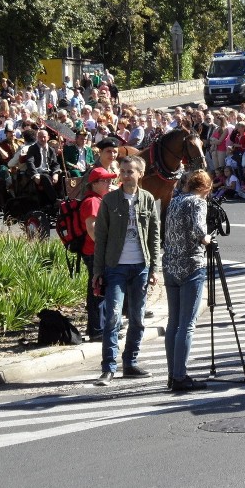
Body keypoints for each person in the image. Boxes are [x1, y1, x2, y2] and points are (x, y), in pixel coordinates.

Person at [92, 155, 161, 386]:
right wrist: (97, 271)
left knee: (138, 318)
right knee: (112, 317)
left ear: (140, 174)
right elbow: (100, 237)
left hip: (140, 267)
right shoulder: (110, 200)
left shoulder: (148, 199)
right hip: (116, 267)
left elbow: (154, 235)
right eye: (122, 171)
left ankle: (130, 363)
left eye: (130, 171)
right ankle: (108, 368)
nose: (125, 175)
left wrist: (154, 269)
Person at [163, 169, 214, 391]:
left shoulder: (176, 200)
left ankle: (172, 374)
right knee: (187, 324)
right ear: (205, 187)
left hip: (171, 265)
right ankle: (180, 376)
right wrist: (208, 238)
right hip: (191, 266)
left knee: (173, 323)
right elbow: (199, 232)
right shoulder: (197, 202)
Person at [80, 167, 117, 341]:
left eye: (110, 180)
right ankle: (97, 330)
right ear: (94, 184)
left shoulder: (99, 199)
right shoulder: (92, 202)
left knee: (98, 289)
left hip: (96, 252)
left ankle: (96, 329)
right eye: (105, 180)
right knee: (97, 290)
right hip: (94, 252)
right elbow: (92, 229)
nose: (109, 183)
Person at [24, 128, 62, 205]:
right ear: (37, 137)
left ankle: (64, 198)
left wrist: (56, 173)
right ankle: (55, 201)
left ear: (48, 138)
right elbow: (30, 162)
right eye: (40, 137)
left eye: (44, 137)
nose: (42, 139)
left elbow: (55, 164)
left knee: (66, 174)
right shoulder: (32, 148)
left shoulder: (51, 150)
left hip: (48, 172)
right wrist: (35, 175)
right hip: (38, 172)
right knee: (45, 177)